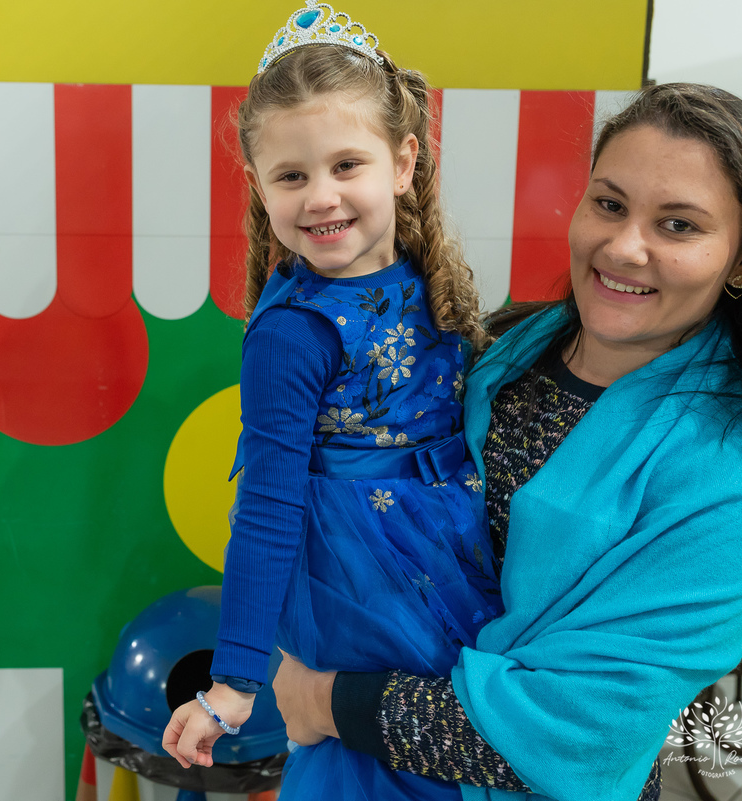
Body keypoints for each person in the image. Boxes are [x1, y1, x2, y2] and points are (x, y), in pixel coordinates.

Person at [271, 82, 742, 801]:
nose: (625, 247)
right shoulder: (495, 348)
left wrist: (321, 700)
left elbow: (581, 731)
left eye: (680, 225)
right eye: (610, 204)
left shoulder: (732, 479)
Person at [162, 4, 503, 799]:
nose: (321, 196)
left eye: (346, 164)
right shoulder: (292, 330)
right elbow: (268, 504)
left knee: (461, 741)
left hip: (450, 538)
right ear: (258, 186)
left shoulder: (429, 275)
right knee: (386, 758)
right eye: (292, 175)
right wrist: (236, 680)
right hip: (361, 565)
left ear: (404, 160)